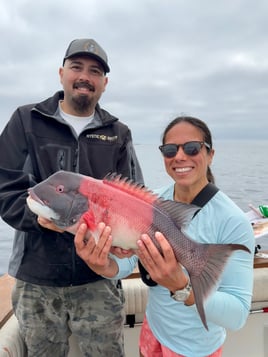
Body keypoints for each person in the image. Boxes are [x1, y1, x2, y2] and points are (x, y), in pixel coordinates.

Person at [0, 38, 143, 357]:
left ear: (104, 83)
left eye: (95, 71)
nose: (85, 76)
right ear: (61, 72)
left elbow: (135, 201)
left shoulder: (118, 133)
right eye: (76, 67)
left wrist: (124, 248)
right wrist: (35, 220)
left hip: (97, 280)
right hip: (36, 280)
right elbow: (4, 186)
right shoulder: (27, 120)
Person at [74, 116, 255, 357]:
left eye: (192, 148)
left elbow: (237, 315)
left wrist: (182, 287)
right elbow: (128, 260)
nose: (180, 156)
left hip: (196, 349)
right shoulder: (152, 200)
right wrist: (104, 265)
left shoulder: (233, 221)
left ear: (211, 154)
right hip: (153, 331)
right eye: (170, 150)